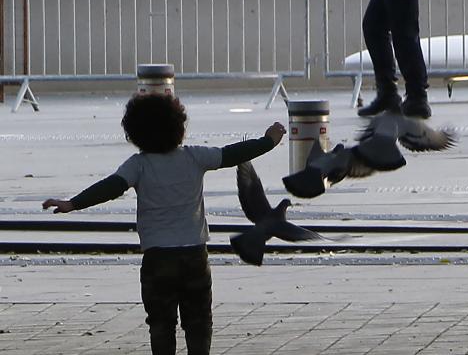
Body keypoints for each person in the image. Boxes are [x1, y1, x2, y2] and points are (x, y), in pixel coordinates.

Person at [41, 93, 286, 355]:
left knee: (160, 323)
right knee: (199, 320)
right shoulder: (194, 157)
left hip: (157, 258)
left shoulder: (138, 165)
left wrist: (73, 203)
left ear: (134, 133)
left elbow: (110, 187)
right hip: (194, 254)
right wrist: (268, 141)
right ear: (179, 126)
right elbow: (233, 153)